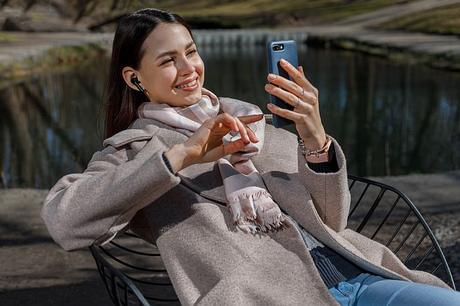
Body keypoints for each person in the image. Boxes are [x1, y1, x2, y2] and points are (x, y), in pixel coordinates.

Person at [41, 8, 459, 306]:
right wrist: (183, 155)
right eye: (168, 60)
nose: (188, 68)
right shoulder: (135, 151)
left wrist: (314, 135)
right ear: (134, 78)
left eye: (191, 51)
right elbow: (65, 222)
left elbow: (332, 220)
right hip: (263, 296)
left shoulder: (252, 120)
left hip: (360, 277)